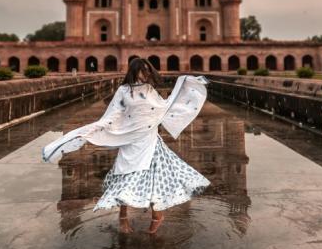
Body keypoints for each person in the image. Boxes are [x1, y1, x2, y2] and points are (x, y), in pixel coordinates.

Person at [43, 58, 210, 235]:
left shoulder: (149, 89)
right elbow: (113, 114)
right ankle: (123, 217)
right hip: (130, 140)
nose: (146, 74)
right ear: (134, 71)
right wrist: (94, 129)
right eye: (142, 70)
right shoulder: (124, 91)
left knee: (155, 180)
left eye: (148, 70)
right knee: (124, 178)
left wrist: (185, 84)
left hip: (149, 141)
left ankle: (157, 216)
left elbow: (164, 107)